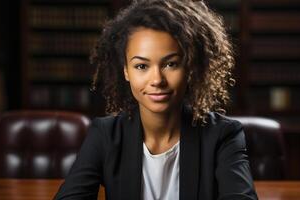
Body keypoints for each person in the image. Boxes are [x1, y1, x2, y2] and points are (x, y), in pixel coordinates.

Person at [55, 0, 258, 199]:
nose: (157, 80)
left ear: (190, 68)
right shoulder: (105, 134)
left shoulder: (223, 135)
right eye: (141, 66)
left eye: (170, 64)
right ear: (126, 71)